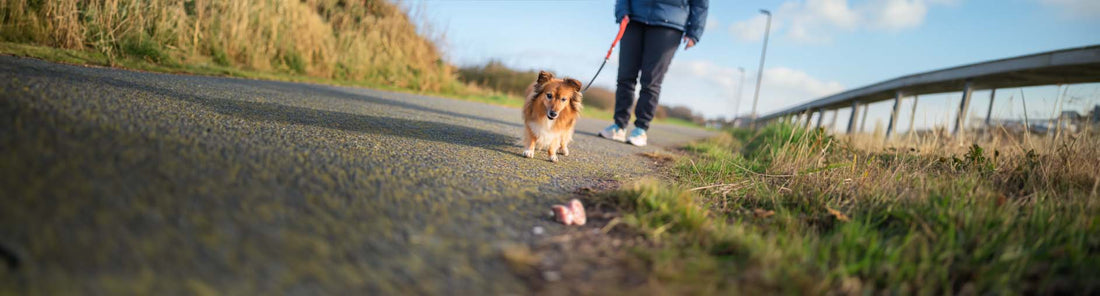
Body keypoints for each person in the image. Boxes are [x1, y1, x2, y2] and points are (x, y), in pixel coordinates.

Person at [599, 0, 708, 146]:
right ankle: (619, 125)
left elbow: (700, 4)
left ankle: (640, 129)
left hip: (669, 24)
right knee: (625, 76)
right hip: (633, 18)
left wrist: (694, 32)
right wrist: (622, 12)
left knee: (651, 81)